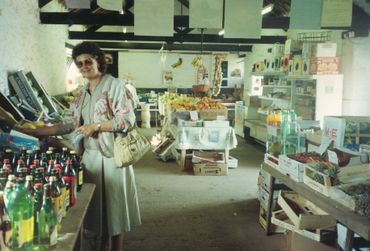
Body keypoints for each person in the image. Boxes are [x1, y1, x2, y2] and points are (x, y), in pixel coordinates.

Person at [17, 41, 141, 251]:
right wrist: (34, 131)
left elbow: (127, 120)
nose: (84, 66)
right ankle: (103, 245)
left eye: (88, 61)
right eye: (79, 63)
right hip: (90, 158)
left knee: (115, 207)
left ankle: (117, 248)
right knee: (98, 210)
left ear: (98, 61)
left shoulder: (114, 85)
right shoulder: (82, 94)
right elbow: (69, 124)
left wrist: (97, 126)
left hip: (112, 157)